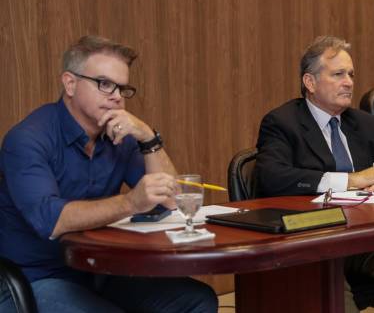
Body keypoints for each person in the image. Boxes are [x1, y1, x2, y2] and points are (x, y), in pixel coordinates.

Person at [0, 36, 217, 313]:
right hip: (37, 276)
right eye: (104, 84)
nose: (116, 96)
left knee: (197, 300)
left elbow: (172, 200)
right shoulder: (28, 139)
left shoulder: (121, 138)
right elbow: (50, 220)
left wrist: (148, 137)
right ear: (70, 83)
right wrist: (130, 203)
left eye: (122, 88)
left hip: (100, 269)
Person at [254, 35, 374, 313]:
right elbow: (272, 177)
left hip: (360, 238)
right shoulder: (282, 123)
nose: (349, 82)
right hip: (312, 242)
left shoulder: (363, 122)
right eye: (338, 74)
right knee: (336, 294)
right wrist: (351, 180)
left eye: (351, 74)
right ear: (310, 82)